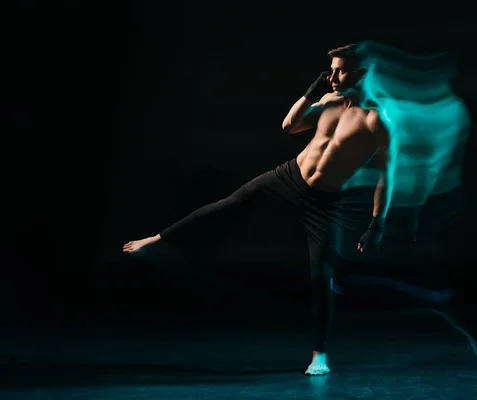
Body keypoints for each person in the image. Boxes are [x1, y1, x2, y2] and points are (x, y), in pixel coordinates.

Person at [123, 43, 394, 376]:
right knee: (229, 205)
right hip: (289, 176)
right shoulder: (328, 102)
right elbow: (289, 126)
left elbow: (386, 176)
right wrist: (310, 94)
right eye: (332, 69)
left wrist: (376, 224)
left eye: (341, 70)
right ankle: (159, 239)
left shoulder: (377, 120)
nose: (332, 76)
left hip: (324, 201)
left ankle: (319, 355)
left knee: (321, 276)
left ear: (363, 74)